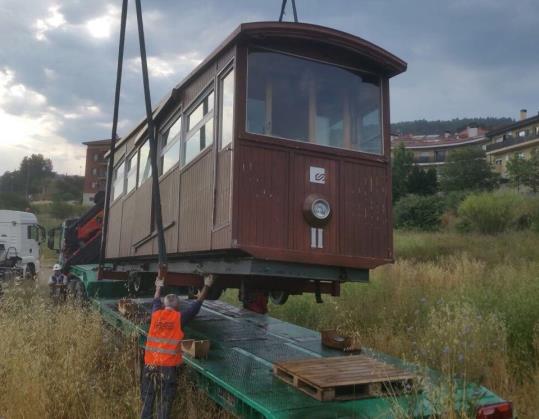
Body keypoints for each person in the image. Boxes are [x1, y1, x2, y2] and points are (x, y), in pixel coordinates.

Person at [141, 275, 214, 419]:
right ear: (178, 307)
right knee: (165, 403)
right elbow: (197, 305)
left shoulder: (155, 314)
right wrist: (207, 285)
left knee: (147, 402)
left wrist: (158, 286)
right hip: (167, 368)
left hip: (149, 365)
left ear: (164, 304)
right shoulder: (179, 318)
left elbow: (156, 298)